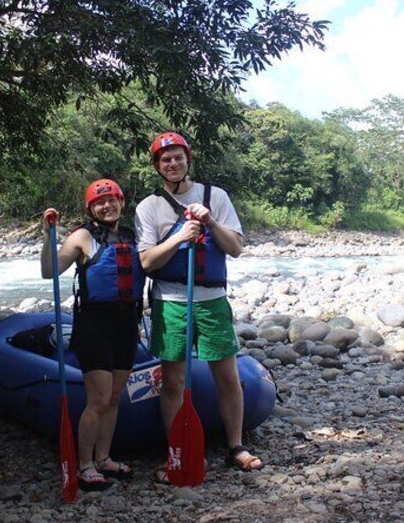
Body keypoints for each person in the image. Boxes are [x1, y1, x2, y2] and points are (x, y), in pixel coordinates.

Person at [134, 131, 264, 484]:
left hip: (211, 301)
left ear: (188, 159)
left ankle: (236, 446)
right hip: (170, 302)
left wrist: (210, 222)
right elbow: (146, 261)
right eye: (165, 159)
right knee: (173, 382)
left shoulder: (216, 197)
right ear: (158, 166)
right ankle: (177, 450)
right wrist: (179, 237)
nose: (172, 163)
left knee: (227, 377)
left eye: (178, 157)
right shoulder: (149, 207)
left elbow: (235, 247)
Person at [41, 179, 144, 491]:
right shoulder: (83, 236)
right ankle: (84, 464)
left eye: (112, 200)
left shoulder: (134, 236)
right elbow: (50, 270)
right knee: (98, 398)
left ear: (121, 203)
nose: (107, 206)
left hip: (127, 322)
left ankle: (104, 458)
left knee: (114, 397)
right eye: (100, 202)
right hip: (94, 324)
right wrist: (48, 235)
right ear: (91, 208)